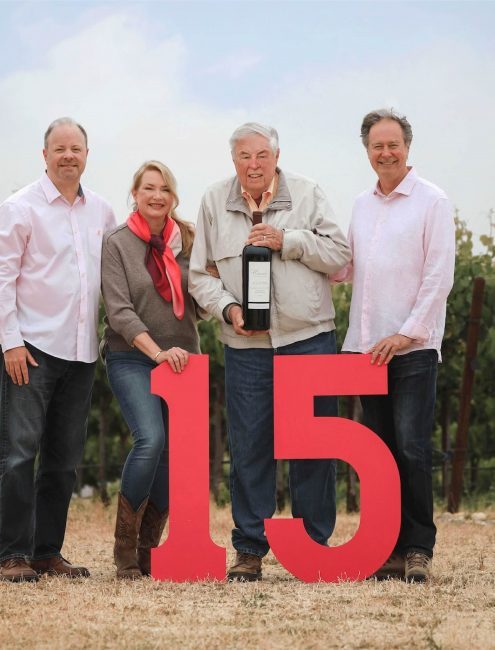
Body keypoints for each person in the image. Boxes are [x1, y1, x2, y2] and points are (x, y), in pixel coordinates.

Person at [188, 122, 351, 581]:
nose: (253, 164)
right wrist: (227, 308)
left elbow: (339, 253)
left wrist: (289, 241)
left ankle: (313, 545)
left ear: (276, 156)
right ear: (233, 161)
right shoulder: (213, 201)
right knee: (249, 446)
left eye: (261, 155)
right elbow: (199, 275)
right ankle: (250, 549)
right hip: (246, 345)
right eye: (244, 156)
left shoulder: (308, 192)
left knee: (315, 447)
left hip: (309, 338)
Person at [0, 117, 116, 582]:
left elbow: (121, 265)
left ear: (87, 155)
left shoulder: (101, 211)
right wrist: (11, 343)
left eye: (76, 148)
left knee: (63, 461)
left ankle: (46, 552)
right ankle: (12, 555)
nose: (68, 155)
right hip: (32, 349)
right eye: (59, 148)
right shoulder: (18, 208)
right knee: (19, 454)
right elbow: (1, 279)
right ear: (45, 155)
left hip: (81, 353)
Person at [335, 109, 455, 582]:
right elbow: (345, 268)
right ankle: (385, 549)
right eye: (376, 146)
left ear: (407, 146)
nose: (385, 153)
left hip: (411, 349)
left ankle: (418, 548)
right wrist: (296, 249)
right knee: (379, 453)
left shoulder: (433, 201)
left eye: (393, 144)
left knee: (410, 448)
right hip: (366, 350)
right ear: (366, 151)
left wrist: (406, 333)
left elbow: (438, 277)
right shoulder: (361, 205)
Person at [101, 160, 200, 579]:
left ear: (172, 196)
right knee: (150, 440)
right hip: (133, 356)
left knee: (173, 455)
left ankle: (148, 549)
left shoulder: (189, 241)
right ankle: (124, 547)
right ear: (135, 194)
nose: (157, 195)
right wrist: (157, 351)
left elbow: (203, 296)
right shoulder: (118, 243)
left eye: (164, 189)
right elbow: (119, 310)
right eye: (148, 188)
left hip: (184, 359)